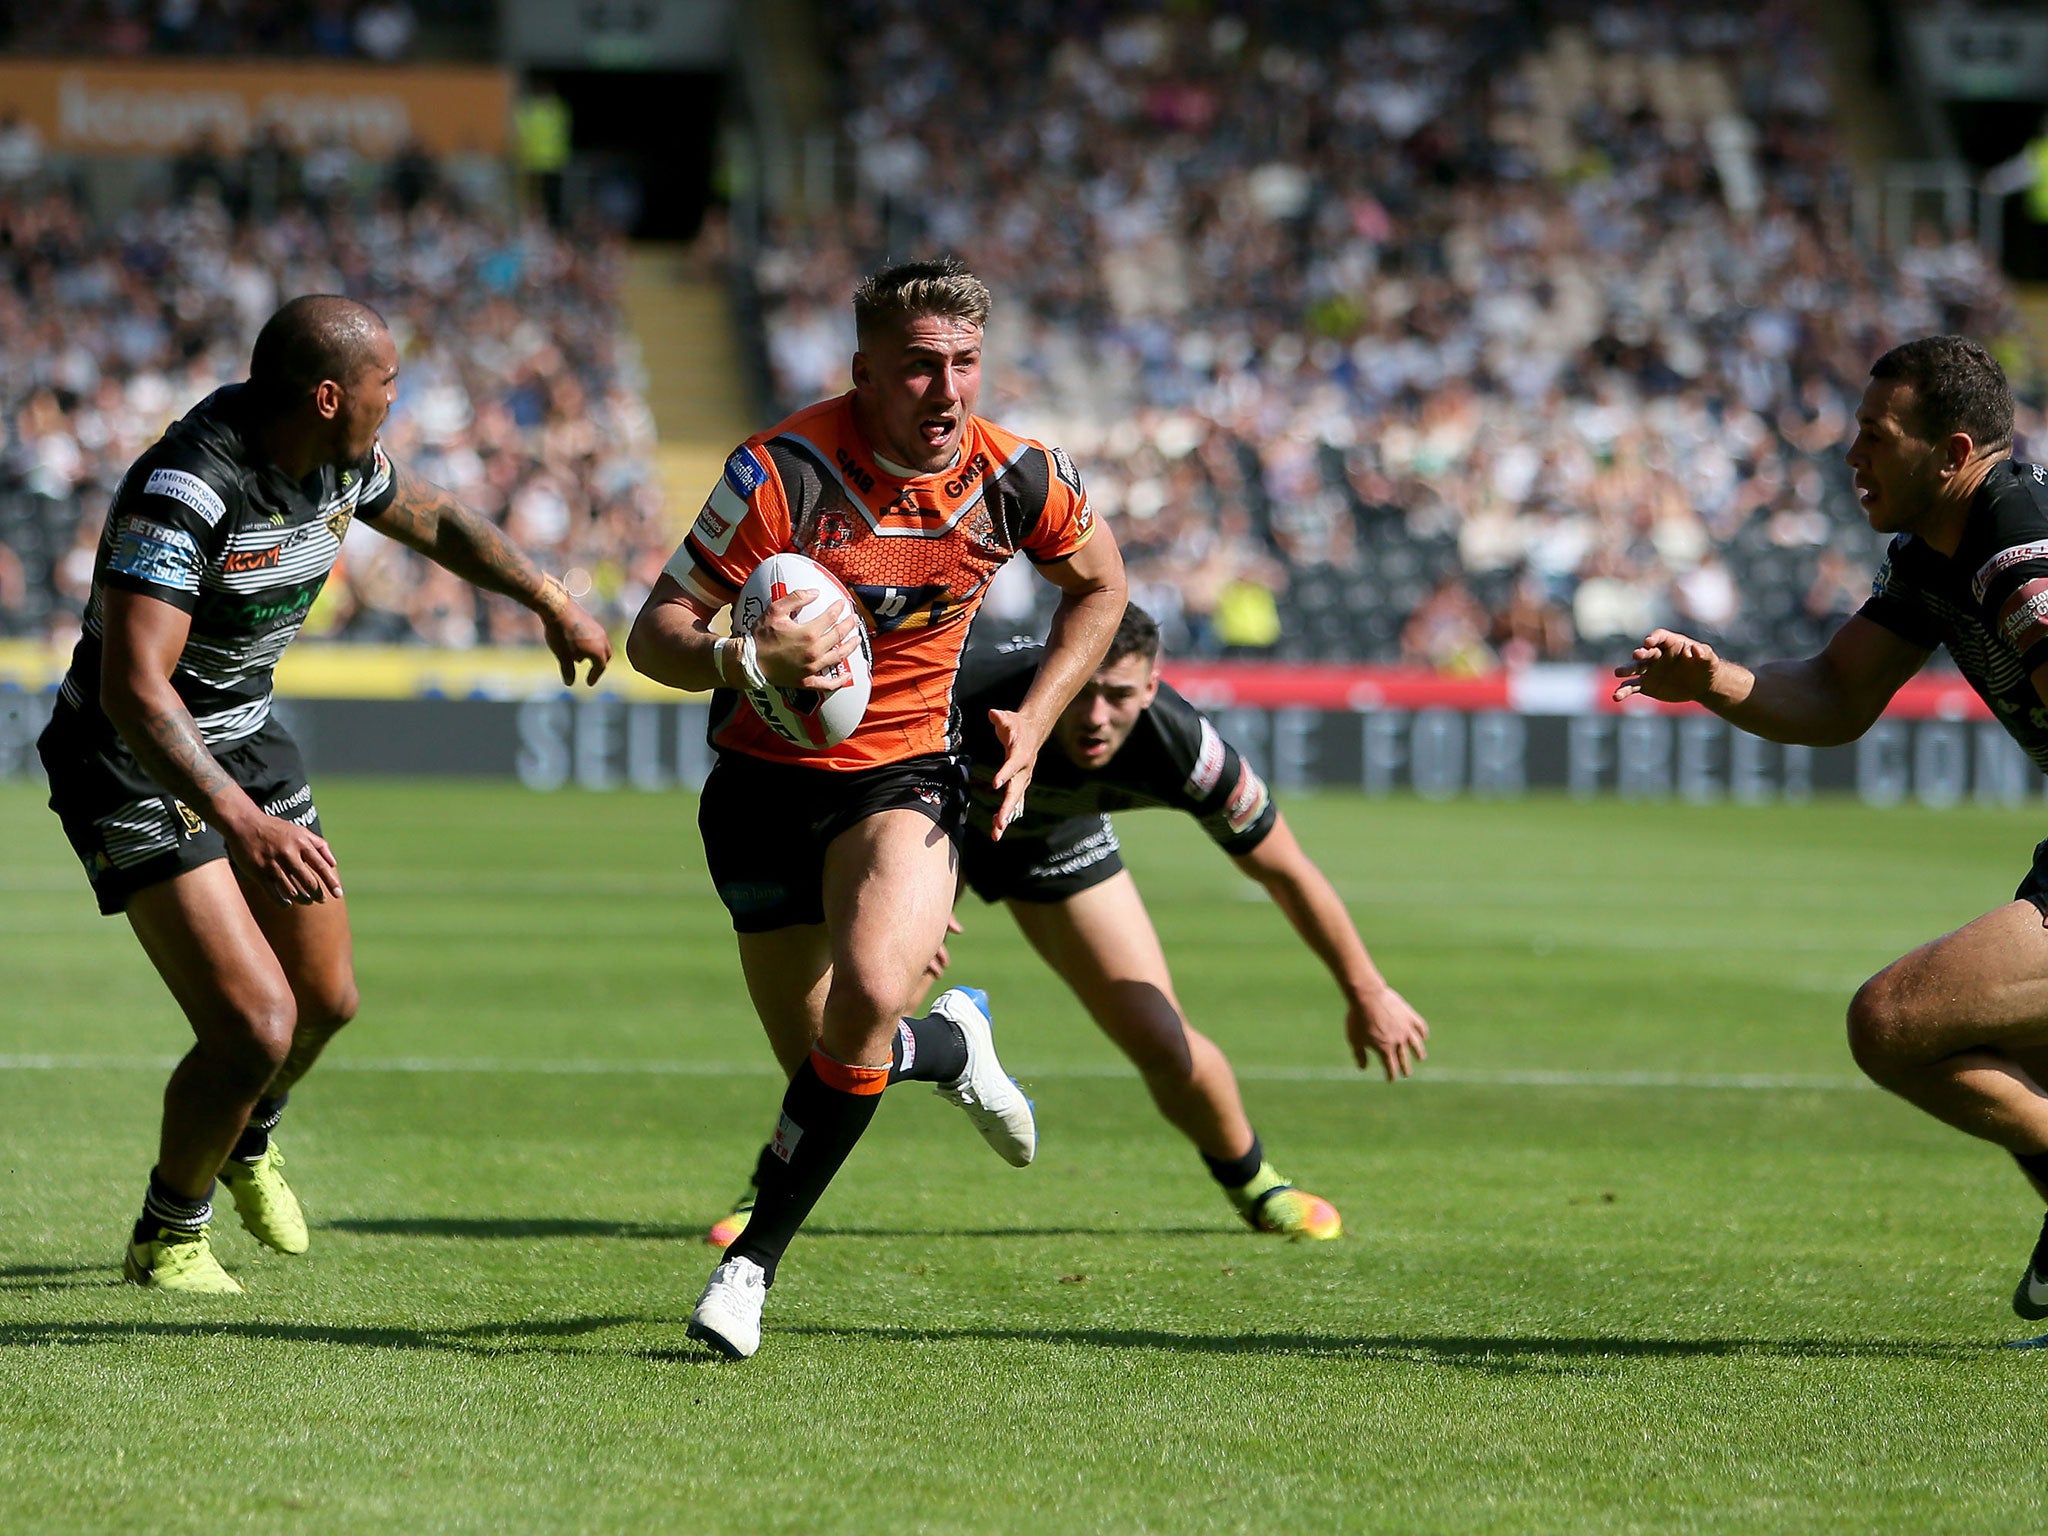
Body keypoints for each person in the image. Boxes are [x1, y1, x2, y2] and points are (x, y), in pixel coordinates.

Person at [37, 294, 613, 1294]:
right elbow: (134, 690)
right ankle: (167, 1233)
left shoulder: (341, 456)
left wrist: (549, 599)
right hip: (129, 753)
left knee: (325, 1002)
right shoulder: (188, 488)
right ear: (328, 393)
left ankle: (248, 1133)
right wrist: (240, 820)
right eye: (388, 381)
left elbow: (432, 518)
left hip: (244, 735)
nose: (400, 395)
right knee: (255, 1022)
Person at [626, 257, 1126, 1359]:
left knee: (860, 1000)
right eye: (916, 369)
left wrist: (1035, 722)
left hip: (902, 778)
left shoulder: (1019, 474)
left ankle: (747, 1267)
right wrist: (738, 651)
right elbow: (653, 631)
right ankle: (948, 1048)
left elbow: (1102, 587)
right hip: (757, 791)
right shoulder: (777, 473)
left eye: (962, 365)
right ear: (863, 373)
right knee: (824, 1059)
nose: (944, 390)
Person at [705, 603, 1432, 1252]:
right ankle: (772, 1185)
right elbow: (852, 767)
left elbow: (1287, 869)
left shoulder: (1186, 748)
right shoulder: (975, 684)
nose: (1096, 716)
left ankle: (1257, 1184)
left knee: (1156, 1032)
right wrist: (893, 883)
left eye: (1121, 696)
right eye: (1082, 690)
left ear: (1152, 690)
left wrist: (1366, 989)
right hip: (929, 826)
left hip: (1054, 843)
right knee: (854, 1012)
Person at [1615, 335, 2048, 1323]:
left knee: (1894, 1022)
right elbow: (1835, 692)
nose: (1849, 455)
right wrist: (1710, 679)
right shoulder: (1935, 552)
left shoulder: (2015, 549)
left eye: (1872, 436)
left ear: (1948, 453)